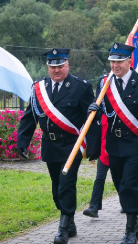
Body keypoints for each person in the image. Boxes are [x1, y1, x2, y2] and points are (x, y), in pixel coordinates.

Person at [17, 48, 100, 244]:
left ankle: (62, 229)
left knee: (66, 185)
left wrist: (94, 148)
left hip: (72, 145)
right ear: (48, 67)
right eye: (53, 66)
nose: (56, 70)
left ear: (67, 65)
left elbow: (92, 118)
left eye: (60, 66)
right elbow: (30, 117)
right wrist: (23, 141)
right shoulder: (39, 88)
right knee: (57, 189)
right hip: (50, 145)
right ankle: (70, 223)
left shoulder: (81, 87)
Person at [87, 42, 138, 244]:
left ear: (129, 61)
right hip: (113, 143)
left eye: (119, 62)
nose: (115, 66)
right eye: (112, 62)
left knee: (130, 182)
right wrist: (94, 109)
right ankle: (135, 223)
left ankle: (129, 229)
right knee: (120, 184)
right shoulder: (104, 84)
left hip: (136, 142)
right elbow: (102, 109)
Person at [82, 113, 110, 218]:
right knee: (99, 178)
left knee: (121, 180)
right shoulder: (100, 114)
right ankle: (93, 207)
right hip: (103, 153)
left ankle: (126, 203)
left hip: (118, 153)